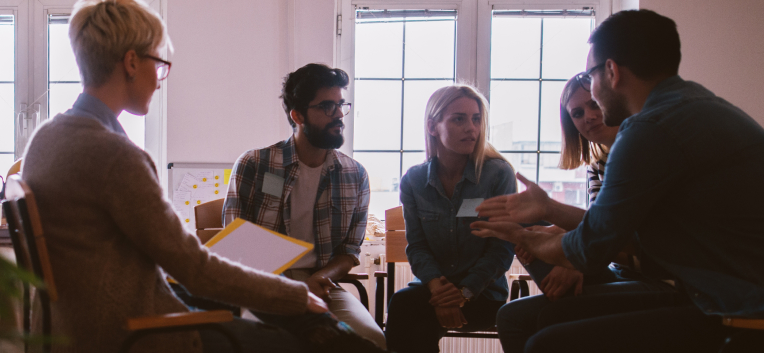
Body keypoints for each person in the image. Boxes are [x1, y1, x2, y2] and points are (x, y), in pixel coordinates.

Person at [472, 9, 764, 352]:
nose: (591, 98)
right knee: (537, 322)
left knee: (548, 343)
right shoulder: (690, 107)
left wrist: (525, 237)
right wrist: (549, 218)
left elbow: (589, 250)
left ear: (612, 71)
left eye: (590, 77)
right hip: (760, 302)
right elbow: (627, 236)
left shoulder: (649, 129)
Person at [20, 2, 345, 352]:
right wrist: (296, 296)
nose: (160, 81)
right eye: (159, 65)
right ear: (131, 62)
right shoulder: (115, 156)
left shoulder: (46, 138)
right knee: (287, 342)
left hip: (67, 327)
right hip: (129, 332)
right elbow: (194, 269)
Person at [491, 73, 677, 353]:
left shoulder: (642, 152)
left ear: (611, 101)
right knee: (513, 307)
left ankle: (567, 300)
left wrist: (574, 260)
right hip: (619, 270)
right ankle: (566, 294)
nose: (588, 116)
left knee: (539, 317)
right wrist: (548, 236)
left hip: (661, 278)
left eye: (593, 105)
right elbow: (600, 225)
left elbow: (625, 236)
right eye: (577, 113)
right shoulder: (598, 165)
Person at [221, 63, 385, 349]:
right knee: (274, 343)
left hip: (322, 286)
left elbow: (349, 251)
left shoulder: (354, 175)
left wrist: (321, 277)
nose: (338, 115)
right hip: (264, 287)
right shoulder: (254, 164)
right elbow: (236, 242)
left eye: (340, 105)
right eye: (326, 106)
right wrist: (286, 288)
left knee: (371, 339)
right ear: (297, 115)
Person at [383, 85, 517, 353]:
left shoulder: (498, 174)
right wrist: (438, 291)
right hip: (433, 291)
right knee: (404, 305)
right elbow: (417, 246)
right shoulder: (414, 181)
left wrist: (463, 293)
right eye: (459, 119)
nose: (471, 128)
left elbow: (502, 248)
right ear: (433, 126)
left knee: (414, 316)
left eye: (476, 119)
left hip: (483, 293)